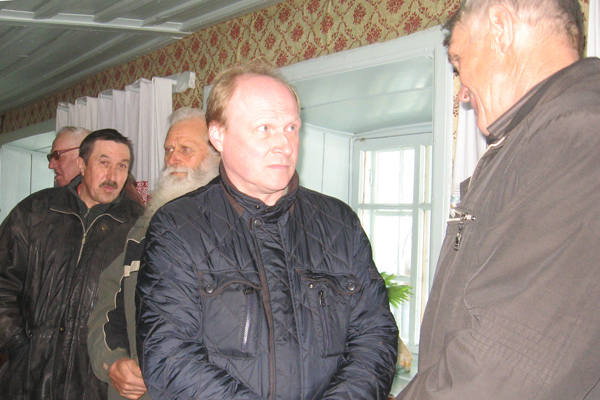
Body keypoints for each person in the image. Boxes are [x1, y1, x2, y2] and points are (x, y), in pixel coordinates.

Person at [136, 62, 398, 400]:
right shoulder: (178, 226)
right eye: (264, 128)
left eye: (291, 128)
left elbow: (375, 337)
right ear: (218, 135)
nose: (285, 145)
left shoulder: (339, 223)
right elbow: (168, 356)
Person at [397, 1, 600, 399]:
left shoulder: (577, 136)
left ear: (501, 27)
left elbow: (505, 366)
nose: (462, 93)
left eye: (459, 63)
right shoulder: (529, 143)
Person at [0, 129, 144, 400]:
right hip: (26, 380)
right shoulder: (35, 211)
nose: (113, 176)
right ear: (82, 164)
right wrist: (20, 345)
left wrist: (113, 361)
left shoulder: (138, 227)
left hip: (95, 384)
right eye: (104, 162)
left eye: (122, 166)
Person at [87, 107, 220, 400]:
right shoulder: (143, 229)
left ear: (217, 155)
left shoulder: (233, 229)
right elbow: (109, 300)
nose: (172, 159)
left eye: (185, 149)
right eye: (168, 149)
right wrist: (113, 361)